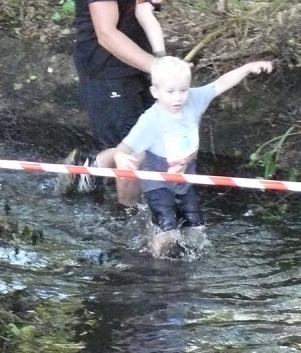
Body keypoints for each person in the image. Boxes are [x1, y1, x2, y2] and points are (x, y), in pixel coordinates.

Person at [65, 0, 178, 206]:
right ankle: (130, 220)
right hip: (106, 67)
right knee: (135, 155)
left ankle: (89, 168)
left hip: (136, 56)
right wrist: (156, 66)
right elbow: (106, 33)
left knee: (155, 142)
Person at [114, 56, 273, 257]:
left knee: (197, 231)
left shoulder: (194, 100)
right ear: (155, 92)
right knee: (167, 232)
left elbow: (221, 83)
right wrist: (121, 159)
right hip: (158, 183)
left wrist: (248, 67)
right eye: (170, 92)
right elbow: (122, 149)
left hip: (185, 181)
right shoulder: (150, 121)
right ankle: (153, 264)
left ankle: (189, 261)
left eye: (183, 90)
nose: (178, 98)